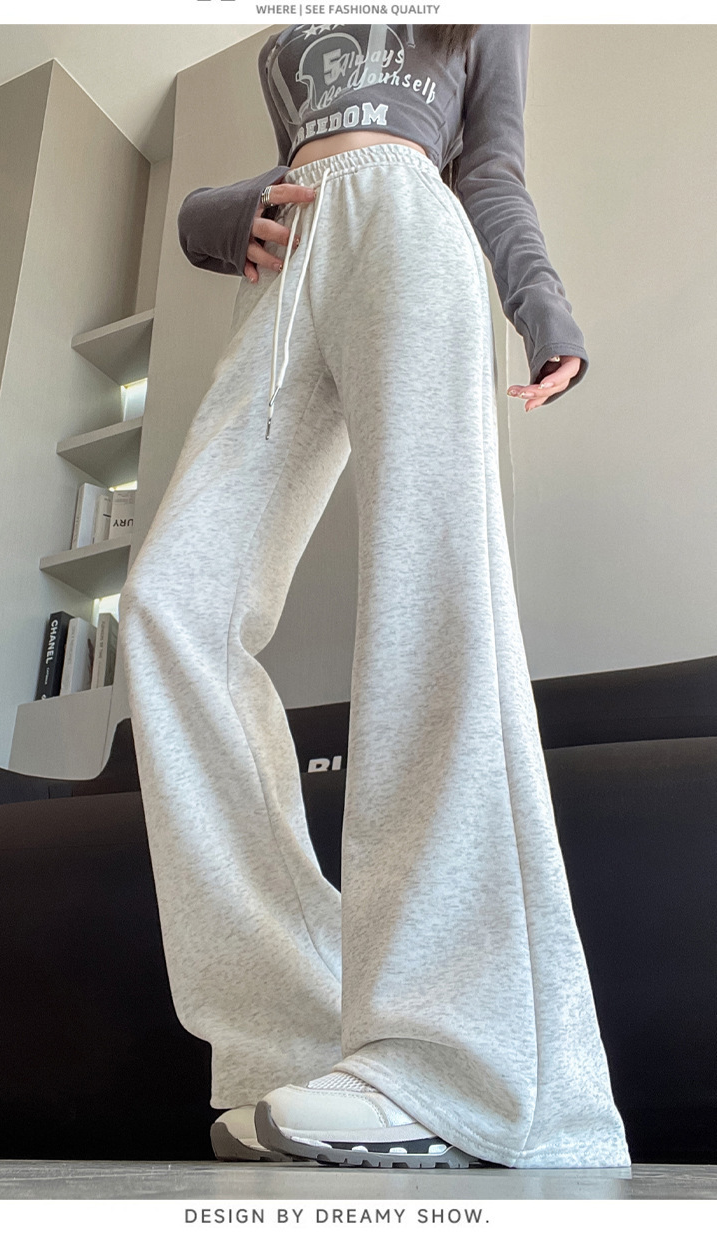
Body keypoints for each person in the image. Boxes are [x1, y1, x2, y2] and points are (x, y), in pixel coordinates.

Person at [117, 24, 632, 1170]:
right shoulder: (285, 41)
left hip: (410, 227)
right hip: (292, 272)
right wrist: (219, 215)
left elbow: (488, 169)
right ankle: (296, 1033)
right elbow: (273, 171)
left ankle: (451, 1061)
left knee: (426, 595)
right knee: (169, 606)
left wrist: (542, 307)